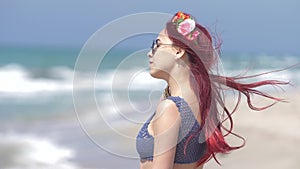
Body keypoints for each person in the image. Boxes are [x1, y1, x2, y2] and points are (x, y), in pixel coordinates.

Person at [135, 11, 288, 169]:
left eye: (157, 44)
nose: (150, 52)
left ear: (178, 51)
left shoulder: (171, 108)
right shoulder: (200, 101)